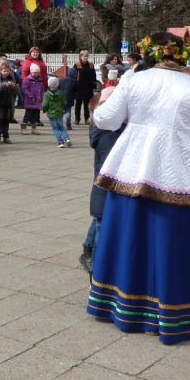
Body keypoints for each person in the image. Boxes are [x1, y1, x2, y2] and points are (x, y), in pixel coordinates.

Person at [87, 32, 190, 343]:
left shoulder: (135, 80)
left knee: (128, 237)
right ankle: (176, 312)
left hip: (130, 167)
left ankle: (121, 306)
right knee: (173, 241)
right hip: (178, 173)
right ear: (182, 55)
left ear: (148, 53)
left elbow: (106, 120)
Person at [81, 90, 125, 272]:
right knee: (101, 225)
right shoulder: (110, 134)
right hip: (107, 188)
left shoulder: (103, 129)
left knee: (99, 219)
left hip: (102, 191)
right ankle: (97, 269)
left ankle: (88, 249)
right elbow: (111, 167)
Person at [0, 60, 17, 144]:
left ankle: (6, 137)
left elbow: (16, 90)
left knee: (6, 120)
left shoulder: (11, 77)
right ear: (0, 70)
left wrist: (13, 86)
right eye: (4, 71)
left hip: (8, 103)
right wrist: (4, 84)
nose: (6, 73)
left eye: (8, 71)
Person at [42, 76, 71, 148]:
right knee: (61, 127)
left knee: (55, 128)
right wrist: (62, 107)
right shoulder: (61, 93)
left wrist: (44, 110)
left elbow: (45, 104)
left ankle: (60, 142)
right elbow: (64, 103)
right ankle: (67, 139)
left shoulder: (47, 94)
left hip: (51, 114)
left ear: (48, 84)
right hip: (59, 113)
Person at [73, 50, 97, 125]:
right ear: (81, 57)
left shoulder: (91, 65)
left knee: (87, 104)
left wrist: (94, 85)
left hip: (88, 87)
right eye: (84, 56)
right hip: (79, 87)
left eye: (86, 56)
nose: (85, 57)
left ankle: (87, 118)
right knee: (78, 104)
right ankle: (77, 119)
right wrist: (74, 86)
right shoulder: (77, 65)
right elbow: (74, 76)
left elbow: (94, 76)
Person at [21, 64, 45, 135]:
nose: (36, 74)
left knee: (35, 115)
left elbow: (42, 89)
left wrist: (43, 95)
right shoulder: (28, 80)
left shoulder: (40, 80)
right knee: (28, 115)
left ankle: (34, 128)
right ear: (31, 72)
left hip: (37, 101)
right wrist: (30, 96)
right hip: (30, 101)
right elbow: (24, 89)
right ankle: (24, 128)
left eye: (37, 72)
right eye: (34, 72)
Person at [60, 66, 78, 132]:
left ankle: (59, 122)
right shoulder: (75, 81)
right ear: (74, 74)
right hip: (70, 98)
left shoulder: (62, 79)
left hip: (61, 97)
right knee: (68, 111)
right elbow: (76, 90)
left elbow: (59, 88)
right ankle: (68, 124)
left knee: (62, 110)